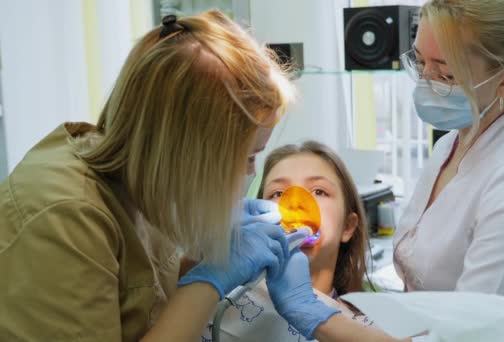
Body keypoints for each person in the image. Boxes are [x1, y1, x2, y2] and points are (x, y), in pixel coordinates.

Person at [263, 1, 504, 341]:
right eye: (420, 63)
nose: (427, 82)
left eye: (446, 73)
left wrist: (314, 312)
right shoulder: (448, 147)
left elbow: (470, 336)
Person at [0, 11, 295, 341]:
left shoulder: (144, 182)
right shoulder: (63, 216)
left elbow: (143, 287)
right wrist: (211, 279)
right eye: (247, 156)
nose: (250, 173)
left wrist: (207, 254)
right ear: (187, 148)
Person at [201, 141, 374, 341]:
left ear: (348, 226)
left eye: (319, 191)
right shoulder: (219, 305)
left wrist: (308, 308)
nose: (296, 203)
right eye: (278, 193)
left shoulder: (370, 327)